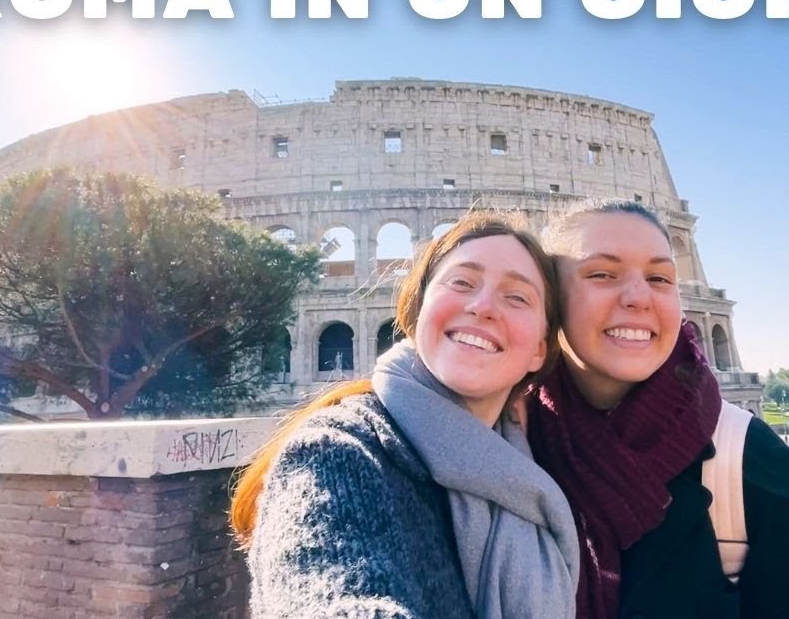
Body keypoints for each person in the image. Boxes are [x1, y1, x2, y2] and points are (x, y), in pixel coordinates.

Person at [230, 212, 580, 619]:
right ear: (418, 311)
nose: (483, 307)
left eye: (517, 297)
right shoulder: (337, 451)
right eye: (462, 282)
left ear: (540, 349)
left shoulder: (531, 465)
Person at [525, 199, 789, 619]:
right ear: (549, 301)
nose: (639, 297)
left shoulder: (750, 457)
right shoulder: (508, 442)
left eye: (659, 277)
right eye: (602, 274)